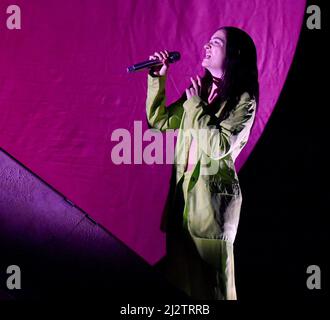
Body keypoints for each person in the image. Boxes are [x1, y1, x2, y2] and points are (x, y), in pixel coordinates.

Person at [145, 26, 259, 300]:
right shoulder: (200, 91)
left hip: (210, 214)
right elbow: (160, 121)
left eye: (216, 43)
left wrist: (196, 105)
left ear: (233, 54)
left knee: (212, 293)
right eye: (207, 41)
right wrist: (158, 79)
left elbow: (219, 145)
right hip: (182, 208)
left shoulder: (244, 102)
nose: (206, 46)